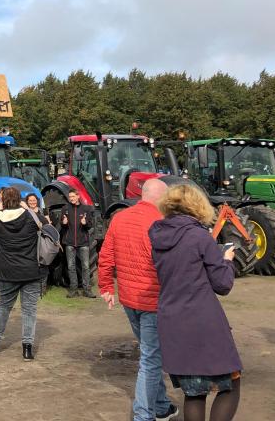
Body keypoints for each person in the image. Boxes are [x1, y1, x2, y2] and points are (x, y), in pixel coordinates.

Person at [149, 184, 242, 421]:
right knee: (230, 383)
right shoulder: (199, 236)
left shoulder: (157, 235)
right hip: (202, 320)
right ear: (198, 205)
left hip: (172, 320)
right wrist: (227, 260)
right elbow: (223, 284)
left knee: (194, 394)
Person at [98, 178, 178, 421]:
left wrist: (105, 286)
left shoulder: (120, 218)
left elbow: (106, 254)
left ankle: (162, 405)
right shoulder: (162, 222)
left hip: (129, 299)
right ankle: (143, 415)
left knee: (149, 353)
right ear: (161, 198)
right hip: (152, 300)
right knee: (151, 358)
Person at [0, 186, 45, 361]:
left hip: (7, 271)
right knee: (29, 310)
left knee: (3, 307)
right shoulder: (30, 217)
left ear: (3, 200)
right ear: (20, 200)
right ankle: (27, 348)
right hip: (30, 270)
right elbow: (44, 224)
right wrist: (27, 209)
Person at [60, 188, 94, 297]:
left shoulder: (86, 209)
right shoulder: (65, 208)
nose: (71, 199)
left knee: (86, 267)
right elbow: (62, 224)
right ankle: (73, 290)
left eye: (73, 197)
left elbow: (90, 225)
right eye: (70, 197)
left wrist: (85, 223)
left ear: (78, 196)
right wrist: (63, 222)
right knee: (71, 267)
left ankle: (87, 290)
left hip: (83, 242)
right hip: (69, 242)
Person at [22, 193, 51, 294]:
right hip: (29, 242)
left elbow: (48, 225)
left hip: (42, 241)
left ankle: (42, 288)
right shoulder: (24, 212)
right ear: (27, 202)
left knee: (43, 263)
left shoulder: (42, 212)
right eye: (30, 200)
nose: (32, 202)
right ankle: (31, 288)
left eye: (34, 200)